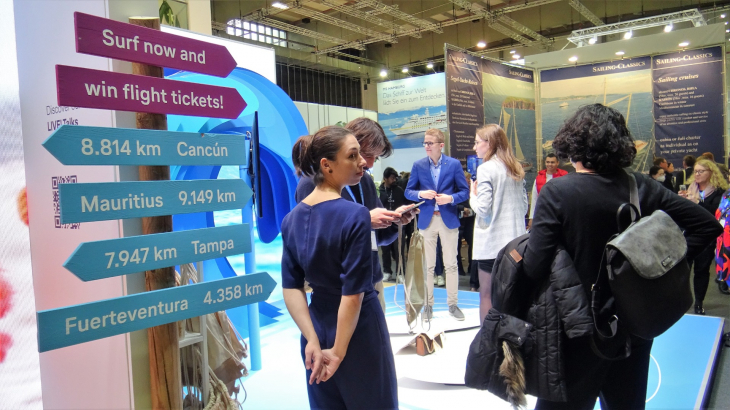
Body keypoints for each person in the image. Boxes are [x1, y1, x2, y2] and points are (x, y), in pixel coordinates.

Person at [523, 104, 721, 410]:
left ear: (573, 144)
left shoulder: (557, 192)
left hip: (576, 329)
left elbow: (534, 266)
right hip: (633, 322)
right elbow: (706, 225)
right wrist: (664, 263)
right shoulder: (639, 185)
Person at [281, 126, 398, 409]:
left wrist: (311, 338)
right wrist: (339, 350)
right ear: (327, 165)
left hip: (317, 325)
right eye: (353, 155)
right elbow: (353, 293)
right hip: (358, 330)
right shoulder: (355, 216)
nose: (362, 162)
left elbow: (291, 287)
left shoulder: (291, 219)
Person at [295, 118, 416, 311]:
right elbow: (315, 240)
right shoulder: (312, 183)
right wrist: (365, 221)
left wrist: (394, 221)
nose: (368, 163)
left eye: (374, 157)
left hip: (371, 282)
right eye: (364, 154)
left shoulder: (365, 181)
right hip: (337, 288)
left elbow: (379, 236)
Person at [405, 128, 470, 321]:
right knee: (427, 266)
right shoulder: (418, 165)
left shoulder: (454, 164)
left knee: (451, 264)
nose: (426, 146)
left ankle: (453, 305)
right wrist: (420, 194)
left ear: (441, 145)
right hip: (427, 220)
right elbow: (408, 191)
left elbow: (465, 192)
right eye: (425, 143)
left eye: (430, 143)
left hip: (448, 218)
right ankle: (428, 306)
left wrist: (451, 198)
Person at [470, 124, 528, 323]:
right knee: (514, 296)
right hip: (516, 244)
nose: (474, 147)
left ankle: (487, 339)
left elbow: (483, 209)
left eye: (477, 142)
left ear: (490, 143)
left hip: (492, 245)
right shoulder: (516, 168)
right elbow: (524, 207)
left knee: (486, 294)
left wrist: (472, 195)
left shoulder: (486, 169)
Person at [678, 158, 728, 314]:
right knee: (683, 270)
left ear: (711, 172)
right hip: (688, 234)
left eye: (701, 171)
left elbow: (716, 214)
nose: (697, 174)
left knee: (702, 270)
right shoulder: (690, 188)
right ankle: (680, 302)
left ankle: (699, 303)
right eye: (696, 171)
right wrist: (680, 201)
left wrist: (697, 203)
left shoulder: (719, 191)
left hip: (707, 237)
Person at [378, 167, 406, 281]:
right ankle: (387, 271)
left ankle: (400, 273)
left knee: (399, 249)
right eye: (392, 178)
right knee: (385, 250)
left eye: (395, 178)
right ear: (385, 178)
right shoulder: (380, 191)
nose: (394, 180)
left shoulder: (399, 191)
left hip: (398, 224)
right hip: (383, 224)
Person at [528, 153, 567, 229]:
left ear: (557, 163)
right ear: (545, 163)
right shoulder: (538, 178)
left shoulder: (564, 177)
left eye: (552, 162)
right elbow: (535, 199)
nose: (550, 164)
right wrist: (532, 217)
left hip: (560, 213)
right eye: (548, 162)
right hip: (544, 213)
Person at [458, 171, 475, 279]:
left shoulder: (473, 191)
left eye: (469, 179)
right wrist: (461, 209)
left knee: (472, 244)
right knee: (457, 246)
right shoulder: (456, 190)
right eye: (466, 179)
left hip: (470, 221)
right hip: (458, 221)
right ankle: (459, 269)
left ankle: (472, 268)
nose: (468, 181)